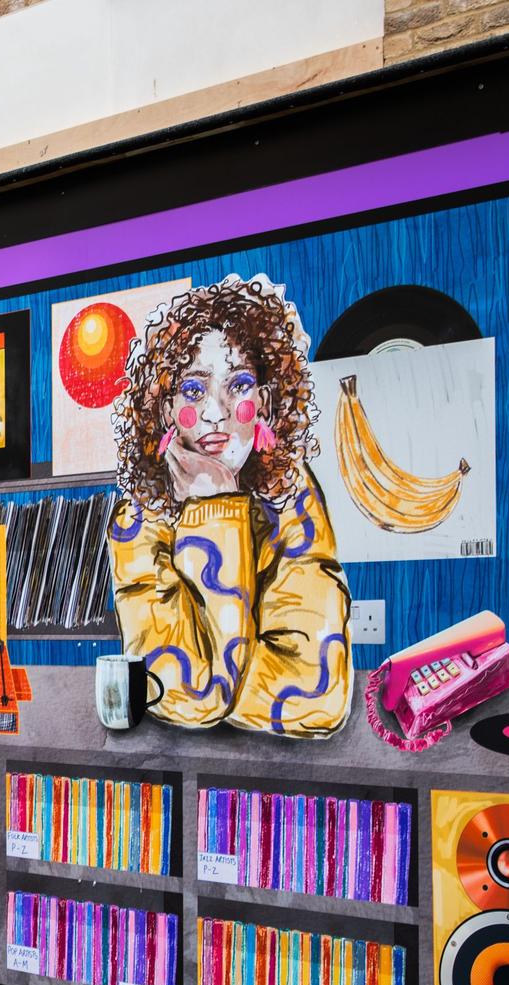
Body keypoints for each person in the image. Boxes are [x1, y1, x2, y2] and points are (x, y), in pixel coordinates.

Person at [105, 274, 351, 738]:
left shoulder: (292, 495)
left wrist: (227, 684)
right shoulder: (137, 520)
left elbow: (317, 698)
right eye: (193, 391)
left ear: (266, 403)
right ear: (164, 410)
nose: (216, 413)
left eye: (238, 385)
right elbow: (188, 696)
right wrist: (215, 509)